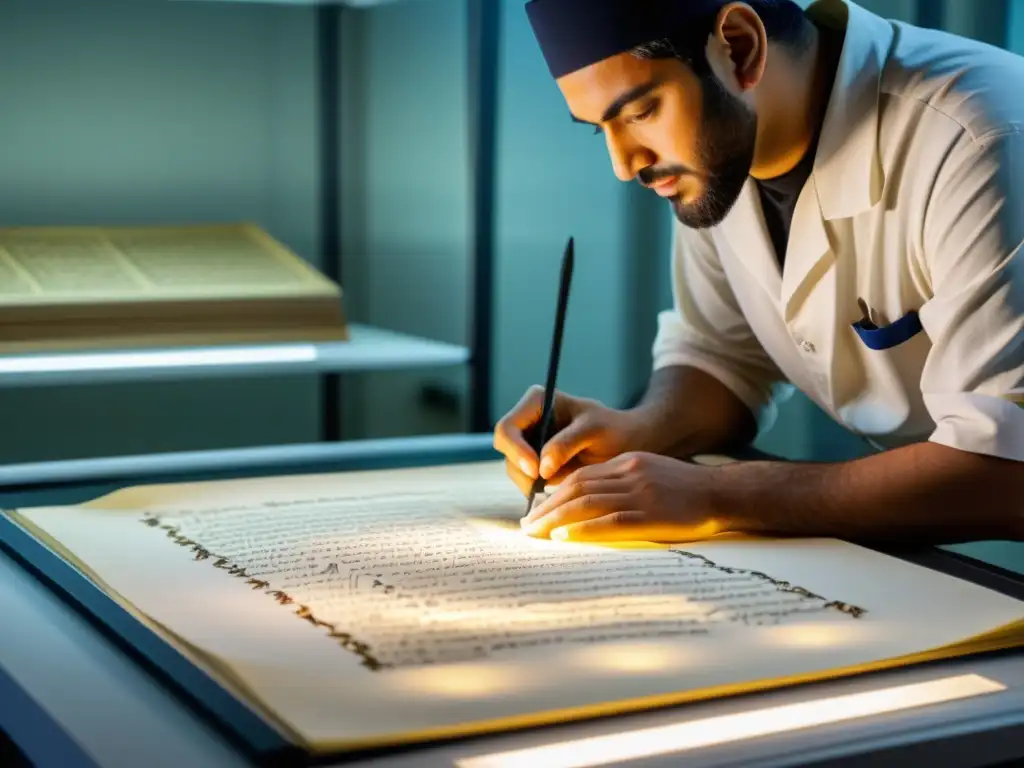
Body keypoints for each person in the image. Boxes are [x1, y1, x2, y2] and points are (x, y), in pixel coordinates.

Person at [493, 0, 1024, 545]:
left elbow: (1008, 474)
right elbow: (722, 358)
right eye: (598, 129)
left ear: (740, 48)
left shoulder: (982, 138)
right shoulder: (719, 153)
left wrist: (718, 493)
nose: (625, 164)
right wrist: (638, 430)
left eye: (640, 112)